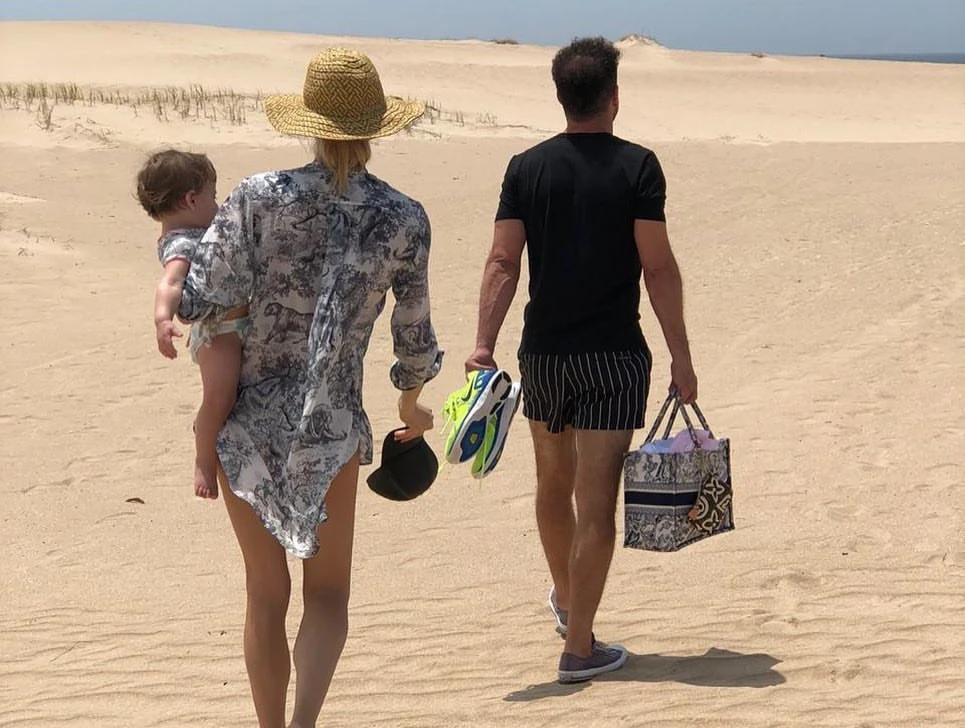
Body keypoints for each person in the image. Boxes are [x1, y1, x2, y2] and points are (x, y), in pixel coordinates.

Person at [177, 48, 441, 728]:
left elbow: (201, 297)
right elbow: (413, 341)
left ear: (310, 123)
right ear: (375, 127)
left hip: (247, 418)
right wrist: (411, 409)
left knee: (265, 595)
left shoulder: (256, 196)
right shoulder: (404, 218)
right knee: (328, 596)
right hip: (332, 423)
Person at [465, 36, 699, 684]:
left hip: (544, 353)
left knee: (551, 484)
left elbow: (502, 261)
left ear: (560, 97)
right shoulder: (638, 167)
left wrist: (482, 344)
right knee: (595, 505)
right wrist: (681, 357)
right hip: (614, 357)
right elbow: (657, 267)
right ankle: (578, 648)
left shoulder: (525, 168)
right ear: (613, 98)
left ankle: (570, 604)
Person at [137, 149, 250, 500]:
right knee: (220, 398)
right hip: (219, 334)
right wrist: (162, 319)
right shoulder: (181, 243)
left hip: (237, 325)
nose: (216, 204)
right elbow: (170, 283)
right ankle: (204, 459)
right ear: (191, 200)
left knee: (236, 396)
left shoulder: (199, 233)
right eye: (212, 196)